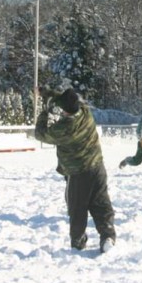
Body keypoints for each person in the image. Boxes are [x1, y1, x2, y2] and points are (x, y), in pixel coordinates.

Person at [35, 87, 116, 253]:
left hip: (79, 172)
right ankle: (107, 236)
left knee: (77, 207)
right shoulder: (86, 113)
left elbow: (40, 133)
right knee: (101, 203)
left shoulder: (65, 128)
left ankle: (78, 241)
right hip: (98, 167)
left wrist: (45, 112)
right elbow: (69, 99)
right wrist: (48, 93)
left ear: (64, 111)